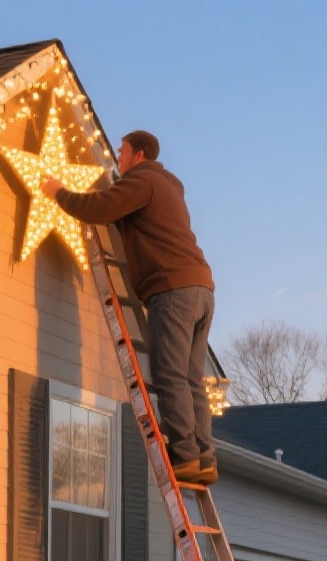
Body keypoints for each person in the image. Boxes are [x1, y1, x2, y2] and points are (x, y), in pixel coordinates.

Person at [42, 130, 217, 485]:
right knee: (191, 377)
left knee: (169, 373)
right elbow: (129, 220)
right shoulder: (169, 187)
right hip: (202, 288)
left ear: (138, 155)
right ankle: (204, 457)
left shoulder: (142, 180)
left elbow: (99, 210)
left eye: (121, 152)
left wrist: (58, 191)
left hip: (172, 288)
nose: (117, 159)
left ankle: (183, 454)